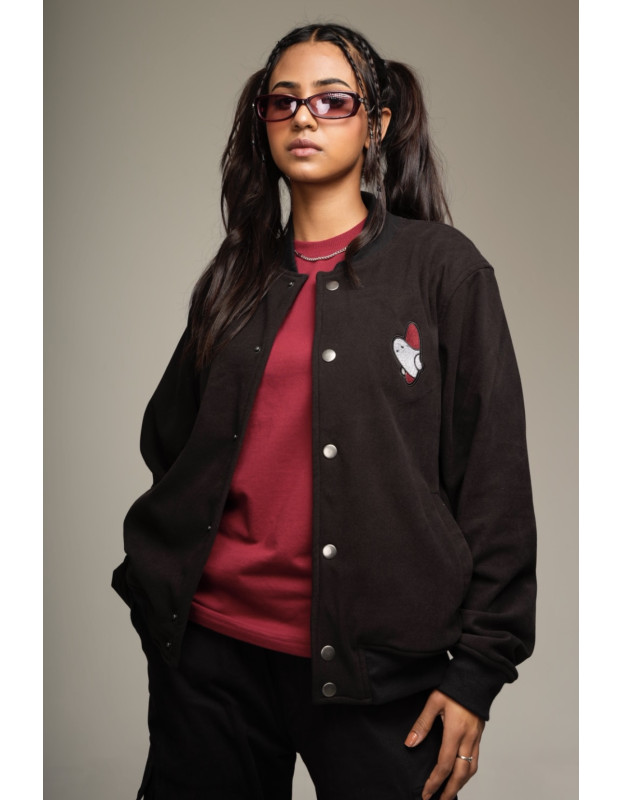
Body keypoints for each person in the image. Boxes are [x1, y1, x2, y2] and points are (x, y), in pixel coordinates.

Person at [112, 22, 537, 800]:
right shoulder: (235, 277)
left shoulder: (441, 270)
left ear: (376, 123)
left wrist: (478, 670)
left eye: (332, 100)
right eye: (283, 102)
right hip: (211, 654)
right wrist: (156, 584)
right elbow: (172, 442)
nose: (303, 117)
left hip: (379, 665)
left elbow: (493, 476)